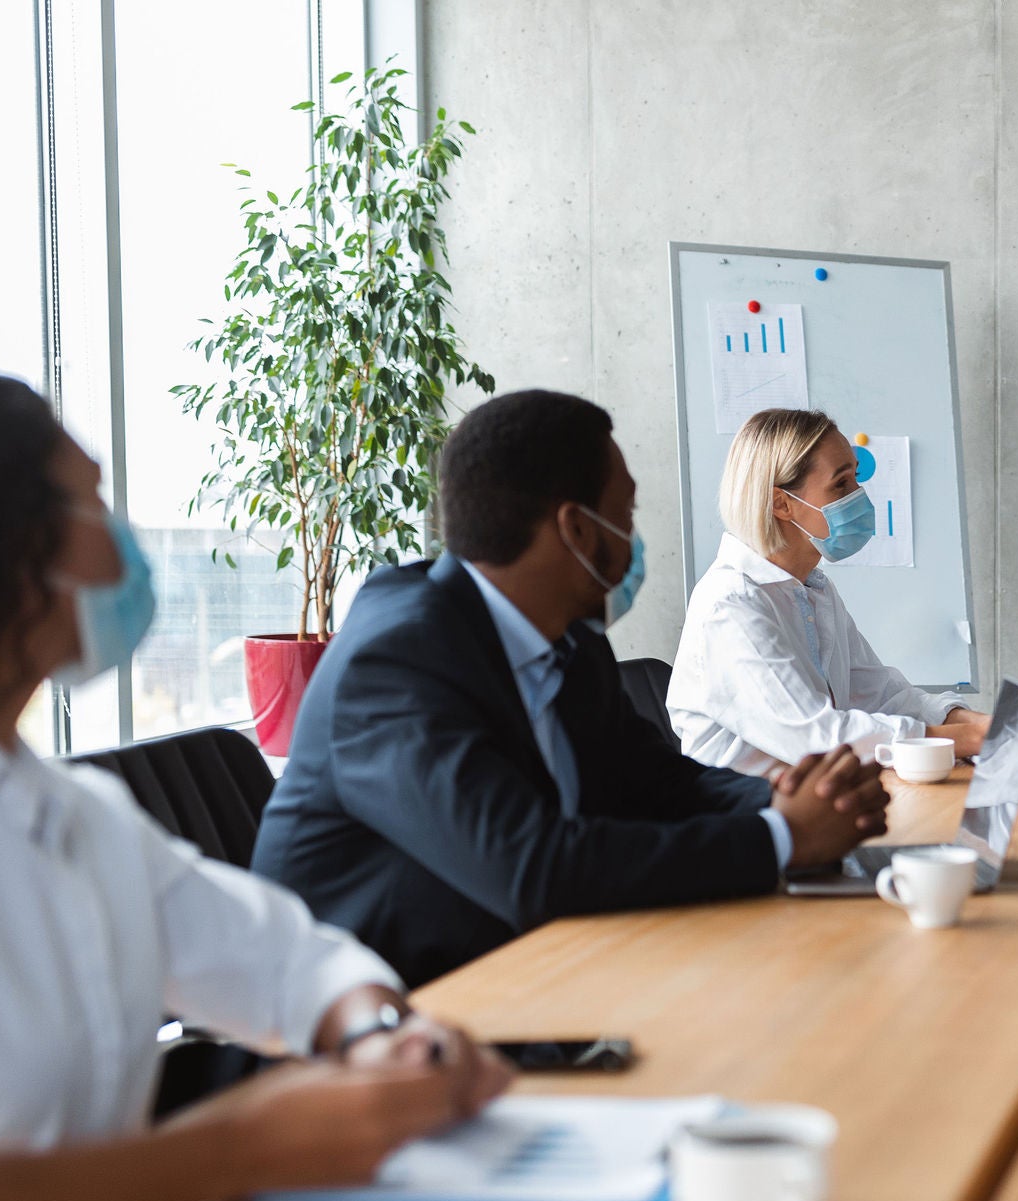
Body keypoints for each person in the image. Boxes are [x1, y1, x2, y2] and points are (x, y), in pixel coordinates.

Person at [0, 375, 510, 1201]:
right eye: (89, 499)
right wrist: (244, 1147)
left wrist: (377, 1034)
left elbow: (282, 955)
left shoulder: (74, 817)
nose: (119, 541)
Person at [253, 391, 890, 988]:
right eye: (627, 514)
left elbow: (659, 784)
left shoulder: (567, 640)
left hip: (528, 972)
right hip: (384, 1022)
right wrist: (781, 838)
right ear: (578, 531)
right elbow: (533, 866)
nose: (635, 539)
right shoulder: (397, 661)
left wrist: (787, 799)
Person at [668, 409, 1018, 774]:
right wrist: (984, 735)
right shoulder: (731, 605)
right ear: (781, 504)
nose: (859, 496)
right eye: (841, 484)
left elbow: (884, 696)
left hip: (818, 810)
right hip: (750, 828)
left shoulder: (813, 589)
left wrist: (996, 720)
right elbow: (819, 739)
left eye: (857, 478)